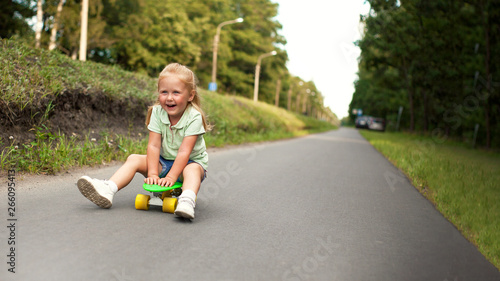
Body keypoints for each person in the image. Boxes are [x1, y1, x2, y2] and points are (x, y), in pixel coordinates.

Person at [77, 63, 209, 219]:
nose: (169, 98)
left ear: (190, 95)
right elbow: (153, 146)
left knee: (192, 170)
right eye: (164, 92)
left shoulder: (193, 116)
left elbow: (184, 151)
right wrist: (153, 173)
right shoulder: (157, 112)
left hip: (188, 164)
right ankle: (108, 188)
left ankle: (186, 200)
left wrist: (171, 178)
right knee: (133, 159)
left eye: (176, 92)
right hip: (164, 163)